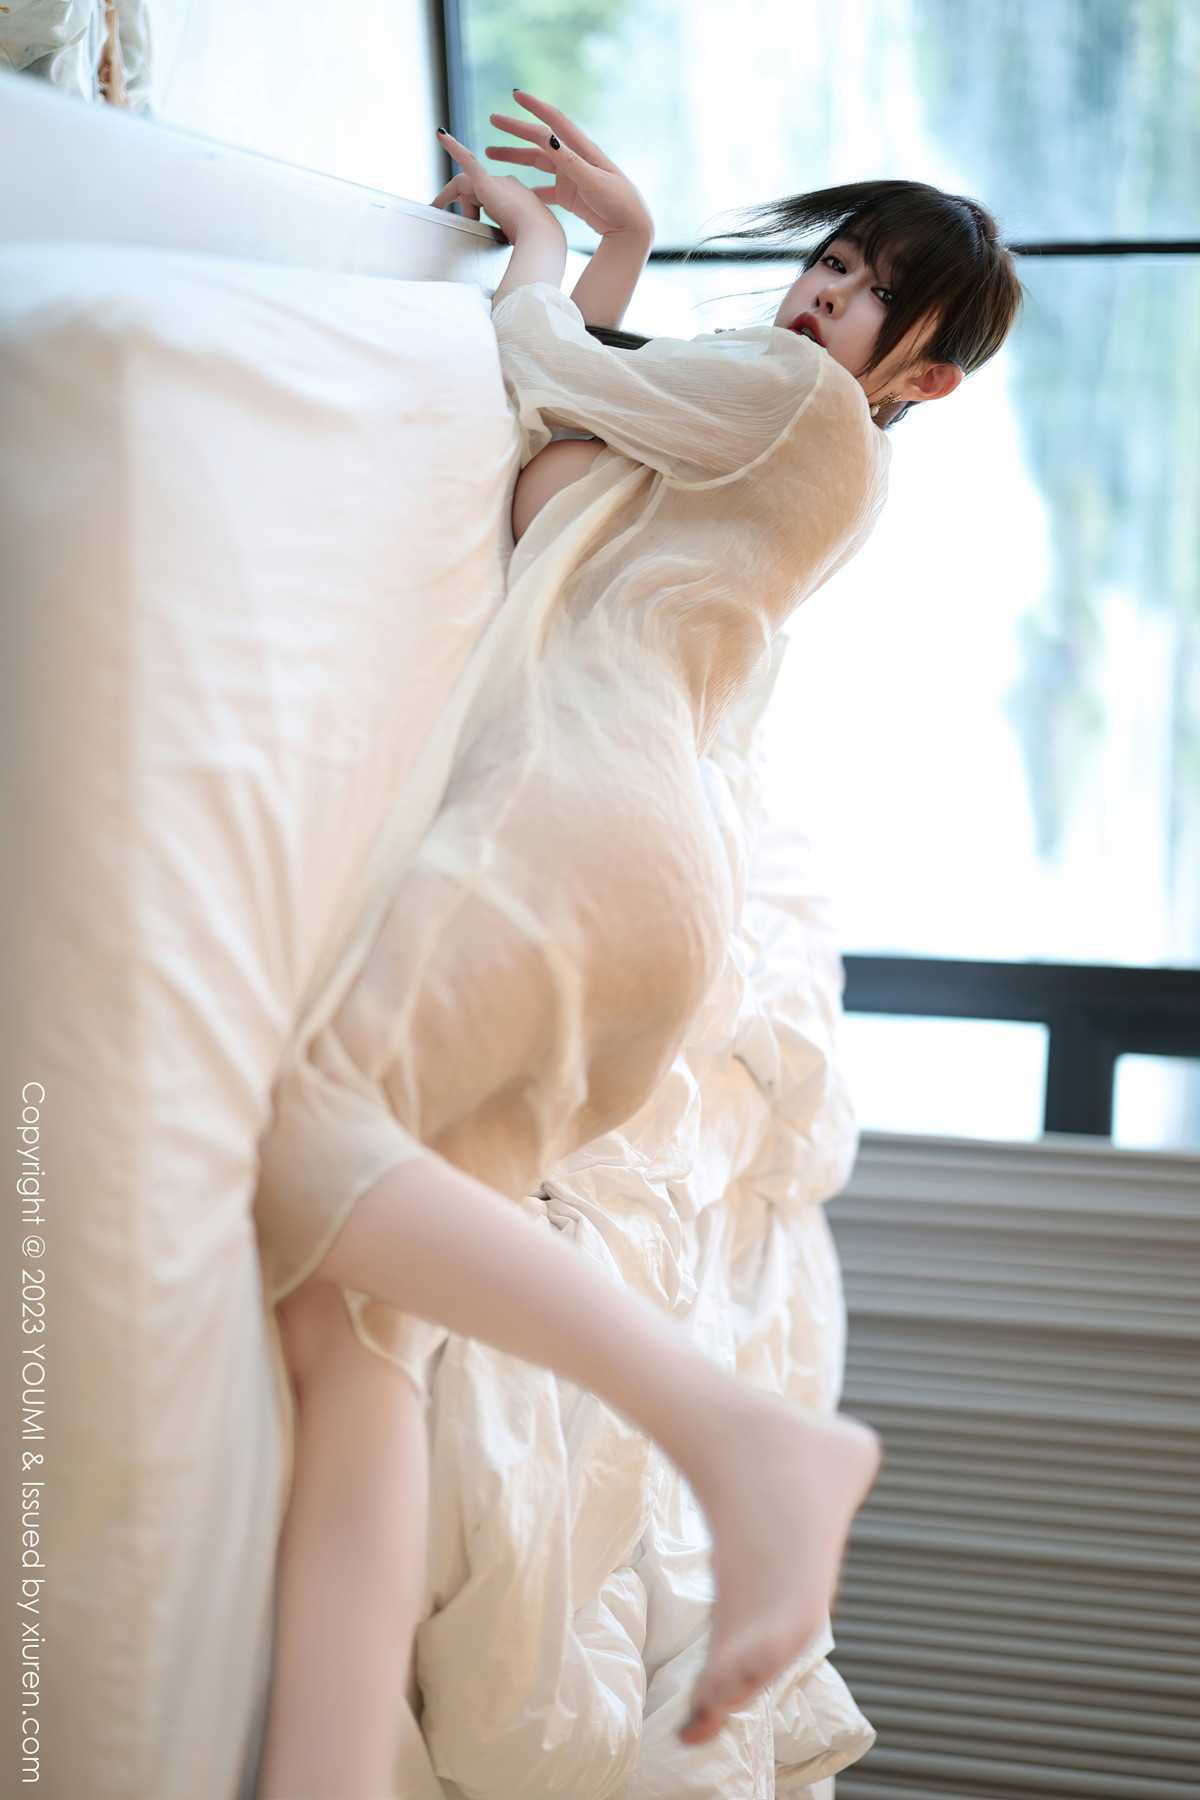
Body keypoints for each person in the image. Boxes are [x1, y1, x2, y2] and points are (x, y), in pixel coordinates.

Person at [253, 93, 1024, 1799]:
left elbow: (541, 360)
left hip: (581, 824)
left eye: (871, 294)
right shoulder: (750, 444)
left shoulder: (802, 412)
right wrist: (615, 255)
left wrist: (556, 245)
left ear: (923, 377)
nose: (824, 295)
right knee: (351, 1333)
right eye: (831, 262)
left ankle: (745, 1437)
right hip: (631, 867)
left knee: (306, 1142)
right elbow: (581, 402)